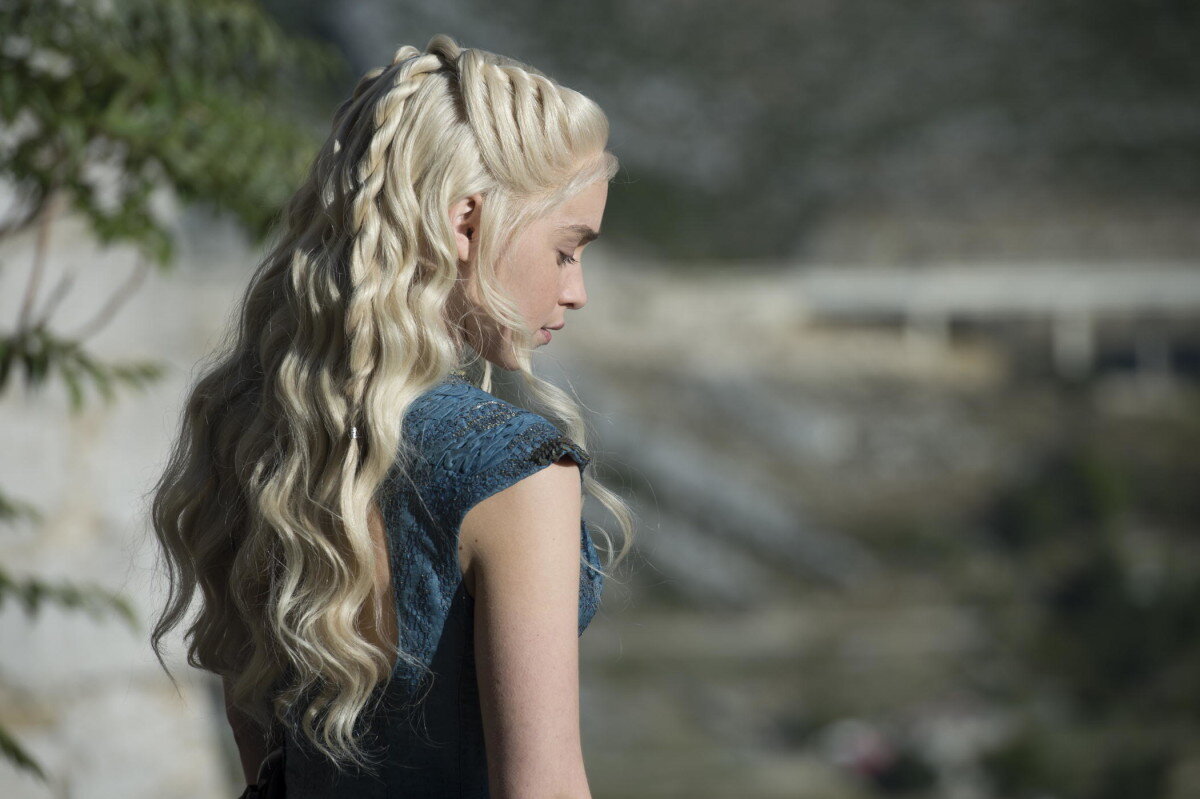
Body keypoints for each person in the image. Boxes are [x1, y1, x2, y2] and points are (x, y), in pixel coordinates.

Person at [148, 34, 633, 798]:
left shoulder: (258, 430)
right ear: (466, 223)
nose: (576, 291)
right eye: (567, 250)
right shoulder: (515, 469)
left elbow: (265, 769)